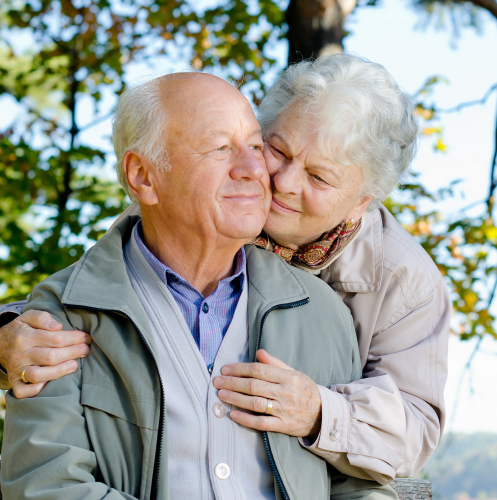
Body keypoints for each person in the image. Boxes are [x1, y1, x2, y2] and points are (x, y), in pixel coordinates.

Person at [0, 53, 450, 485]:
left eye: (319, 178)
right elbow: (99, 294)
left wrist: (318, 411)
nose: (283, 183)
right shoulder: (201, 202)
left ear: (362, 201)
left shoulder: (401, 282)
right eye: (276, 150)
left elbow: (415, 431)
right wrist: (7, 337)